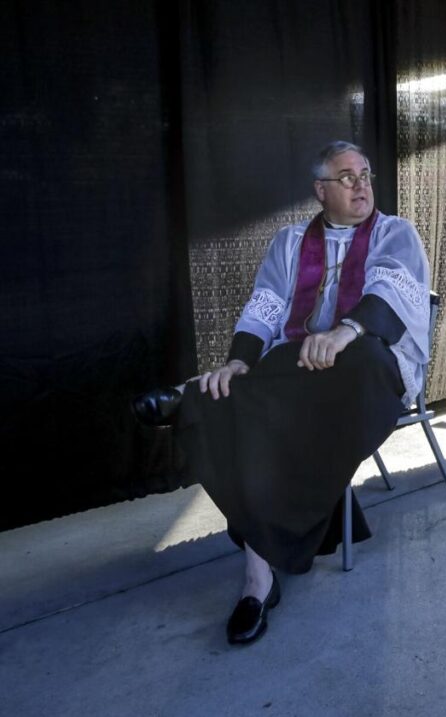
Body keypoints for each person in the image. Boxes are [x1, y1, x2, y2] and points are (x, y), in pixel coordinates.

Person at [133, 141, 431, 645]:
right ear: (321, 190)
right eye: (347, 177)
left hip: (369, 372)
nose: (362, 185)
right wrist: (237, 361)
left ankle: (192, 393)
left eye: (365, 174)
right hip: (296, 377)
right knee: (242, 398)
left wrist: (343, 333)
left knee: (334, 366)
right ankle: (258, 577)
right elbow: (265, 309)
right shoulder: (290, 242)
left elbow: (389, 293)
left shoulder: (393, 233)